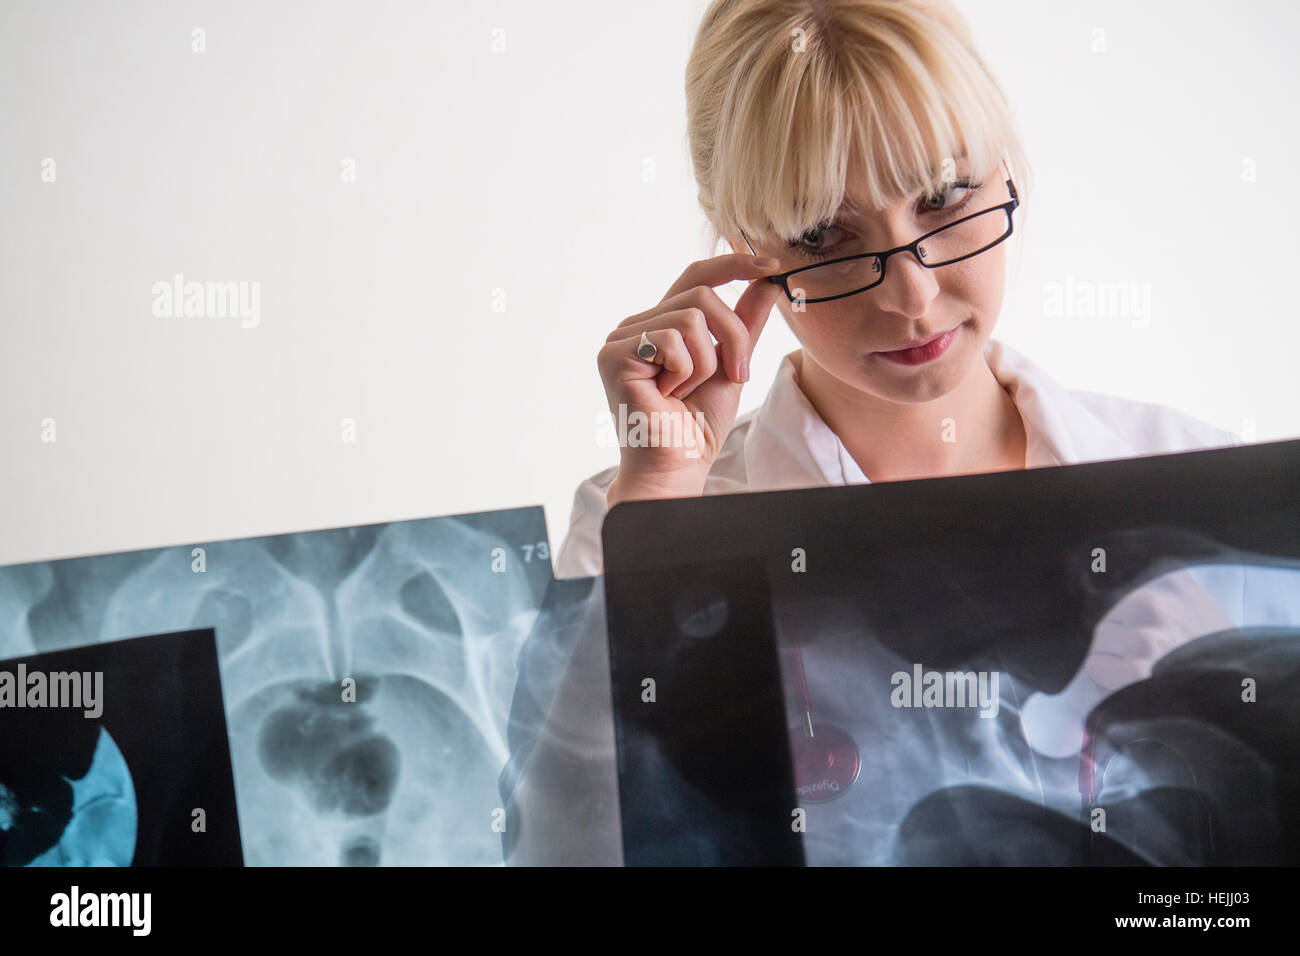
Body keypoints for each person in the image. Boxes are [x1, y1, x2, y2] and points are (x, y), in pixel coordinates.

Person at [509, 0, 1243, 865]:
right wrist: (664, 520)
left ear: (1006, 166)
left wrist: (1224, 701)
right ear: (744, 244)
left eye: (944, 196)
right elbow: (553, 856)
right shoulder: (639, 516)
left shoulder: (1196, 479)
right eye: (825, 233)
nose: (911, 296)